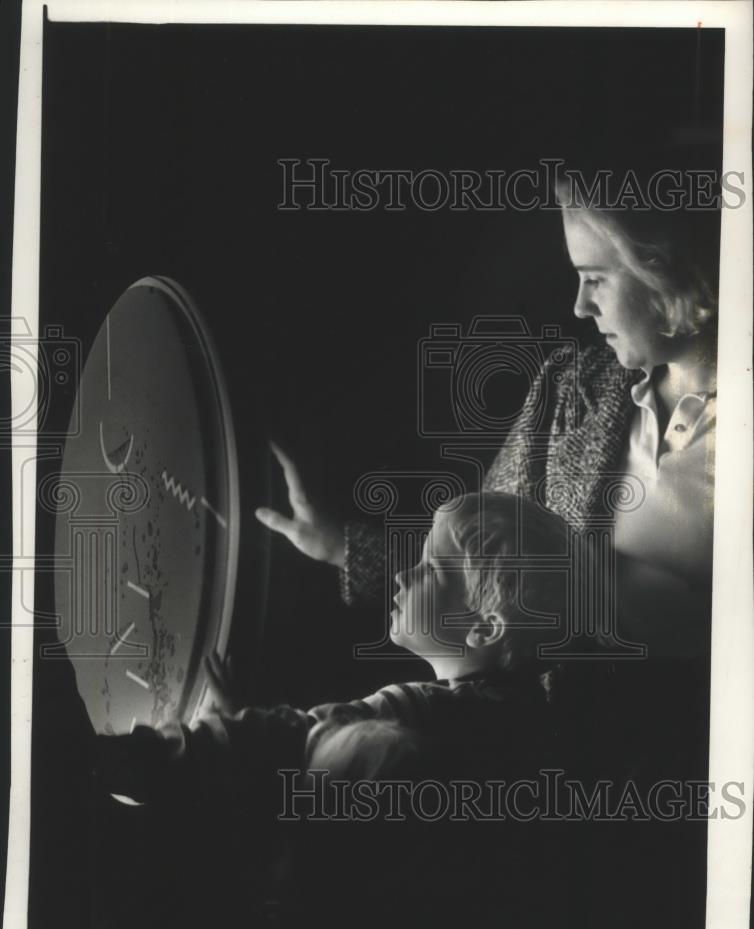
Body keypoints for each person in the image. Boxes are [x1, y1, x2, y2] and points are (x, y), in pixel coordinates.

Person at [256, 173, 719, 659]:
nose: (580, 306)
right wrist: (339, 547)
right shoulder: (572, 386)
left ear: (666, 275)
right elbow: (478, 556)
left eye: (596, 278)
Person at [94, 491, 571, 804]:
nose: (403, 574)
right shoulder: (527, 719)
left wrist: (139, 759)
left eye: (432, 568)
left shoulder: (423, 712)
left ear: (485, 630)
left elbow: (287, 742)